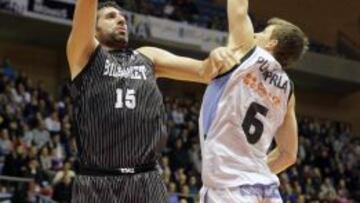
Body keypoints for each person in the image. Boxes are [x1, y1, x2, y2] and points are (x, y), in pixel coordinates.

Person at [66, 1, 223, 202]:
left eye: (122, 16)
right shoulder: (84, 55)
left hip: (146, 181)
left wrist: (218, 56)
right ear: (93, 29)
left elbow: (204, 71)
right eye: (110, 16)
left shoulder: (148, 56)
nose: (121, 19)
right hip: (96, 182)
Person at [198, 0, 309, 202]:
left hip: (228, 186)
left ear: (271, 43)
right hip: (264, 188)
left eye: (263, 32)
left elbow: (238, 8)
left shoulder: (249, 53)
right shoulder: (288, 90)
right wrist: (251, 173)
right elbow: (288, 154)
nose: (255, 34)